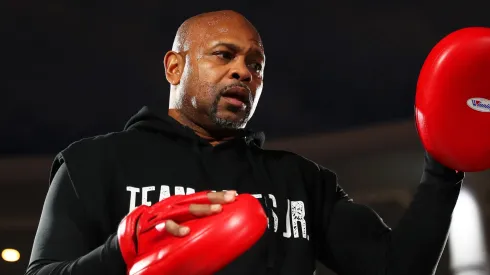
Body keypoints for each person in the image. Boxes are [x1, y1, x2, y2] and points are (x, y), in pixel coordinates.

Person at [25, 10, 464, 275]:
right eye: (224, 55)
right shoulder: (93, 162)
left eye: (256, 64)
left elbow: (397, 269)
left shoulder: (300, 180)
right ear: (174, 67)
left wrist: (444, 168)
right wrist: (116, 253)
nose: (244, 72)